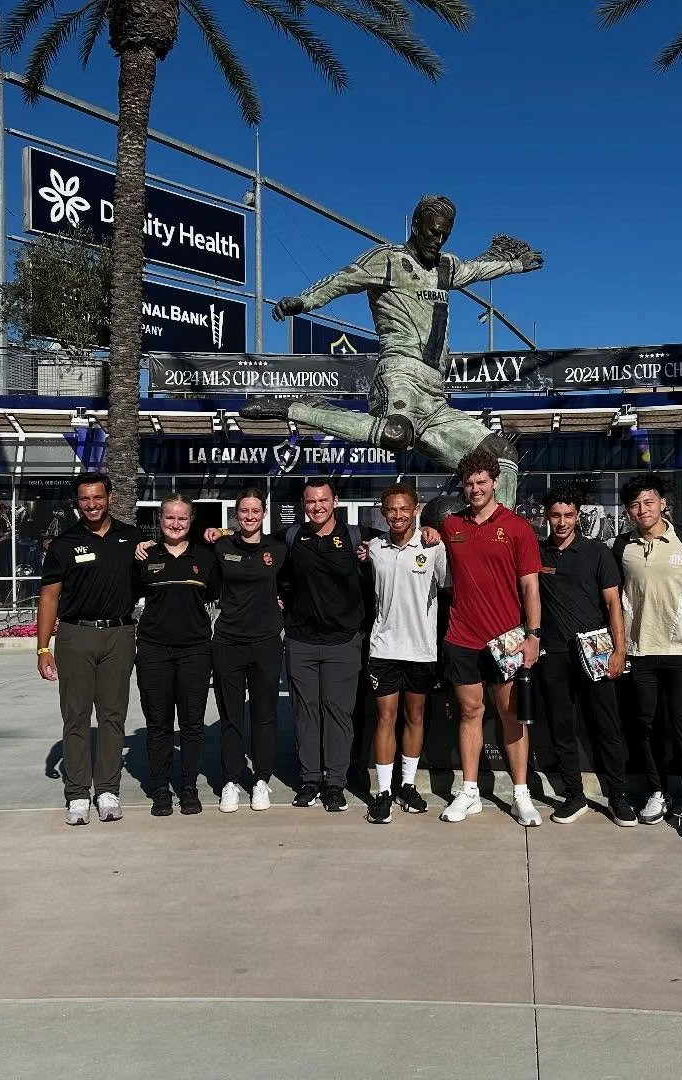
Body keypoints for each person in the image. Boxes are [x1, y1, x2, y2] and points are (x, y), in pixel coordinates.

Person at [239, 194, 543, 507]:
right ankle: (300, 408)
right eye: (433, 231)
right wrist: (305, 301)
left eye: (444, 235)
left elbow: (476, 269)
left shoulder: (445, 266)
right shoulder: (389, 259)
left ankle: (502, 532)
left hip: (434, 393)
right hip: (400, 374)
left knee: (501, 455)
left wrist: (514, 264)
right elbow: (343, 279)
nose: (438, 240)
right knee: (396, 434)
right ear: (416, 225)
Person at [438, 448, 544, 827]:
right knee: (470, 713)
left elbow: (530, 588)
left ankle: (521, 794)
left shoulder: (517, 528)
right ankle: (469, 792)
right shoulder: (452, 526)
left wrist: (533, 636)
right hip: (462, 637)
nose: (475, 489)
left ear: (495, 482)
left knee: (511, 716)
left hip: (507, 640)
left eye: (481, 482)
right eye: (469, 483)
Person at [611, 473, 682, 840]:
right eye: (635, 505)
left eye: (649, 502)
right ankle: (658, 791)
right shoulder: (621, 546)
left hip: (681, 650)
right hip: (640, 651)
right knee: (646, 725)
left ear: (663, 504)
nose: (642, 509)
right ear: (628, 511)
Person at [35, 473, 142, 827]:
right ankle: (78, 793)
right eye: (85, 499)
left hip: (119, 636)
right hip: (75, 636)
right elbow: (49, 598)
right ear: (77, 502)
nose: (92, 504)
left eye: (98, 497)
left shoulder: (131, 538)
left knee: (113, 716)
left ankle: (108, 790)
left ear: (109, 497)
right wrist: (42, 648)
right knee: (76, 716)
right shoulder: (64, 544)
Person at [535, 486, 633, 826]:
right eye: (555, 515)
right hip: (554, 654)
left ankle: (618, 796)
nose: (562, 522)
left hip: (597, 653)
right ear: (547, 516)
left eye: (568, 515)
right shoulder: (538, 553)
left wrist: (619, 650)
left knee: (607, 725)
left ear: (578, 516)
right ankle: (574, 797)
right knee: (562, 727)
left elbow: (613, 604)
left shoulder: (597, 552)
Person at [280, 477, 371, 813]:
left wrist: (430, 531)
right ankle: (309, 780)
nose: (317, 507)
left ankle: (335, 783)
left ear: (335, 501)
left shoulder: (357, 536)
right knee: (305, 713)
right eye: (310, 501)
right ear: (303, 505)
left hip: (343, 642)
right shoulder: (292, 536)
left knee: (337, 714)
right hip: (301, 641)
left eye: (322, 500)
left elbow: (400, 537)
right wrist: (219, 533)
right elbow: (253, 543)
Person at [365, 481, 449, 824]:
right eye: (391, 509)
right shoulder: (374, 548)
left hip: (421, 649)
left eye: (404, 509)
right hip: (384, 648)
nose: (397, 515)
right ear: (383, 512)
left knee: (415, 717)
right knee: (386, 718)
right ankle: (384, 791)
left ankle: (407, 785)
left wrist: (437, 535)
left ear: (416, 510)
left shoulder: (433, 546)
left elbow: (449, 587)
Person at [134, 494, 219, 817]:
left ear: (191, 521)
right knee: (158, 724)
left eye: (182, 518)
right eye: (169, 517)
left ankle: (188, 788)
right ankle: (160, 789)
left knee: (192, 724)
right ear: (160, 520)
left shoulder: (205, 558)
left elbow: (216, 595)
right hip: (154, 651)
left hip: (195, 651)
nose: (175, 523)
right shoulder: (145, 556)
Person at [209, 489, 287, 813]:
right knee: (231, 715)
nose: (250, 516)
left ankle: (261, 780)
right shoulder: (222, 546)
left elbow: (292, 584)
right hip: (228, 641)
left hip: (266, 642)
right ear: (236, 514)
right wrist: (216, 531)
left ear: (264, 513)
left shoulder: (278, 548)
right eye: (244, 511)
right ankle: (230, 780)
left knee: (264, 714)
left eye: (255, 510)